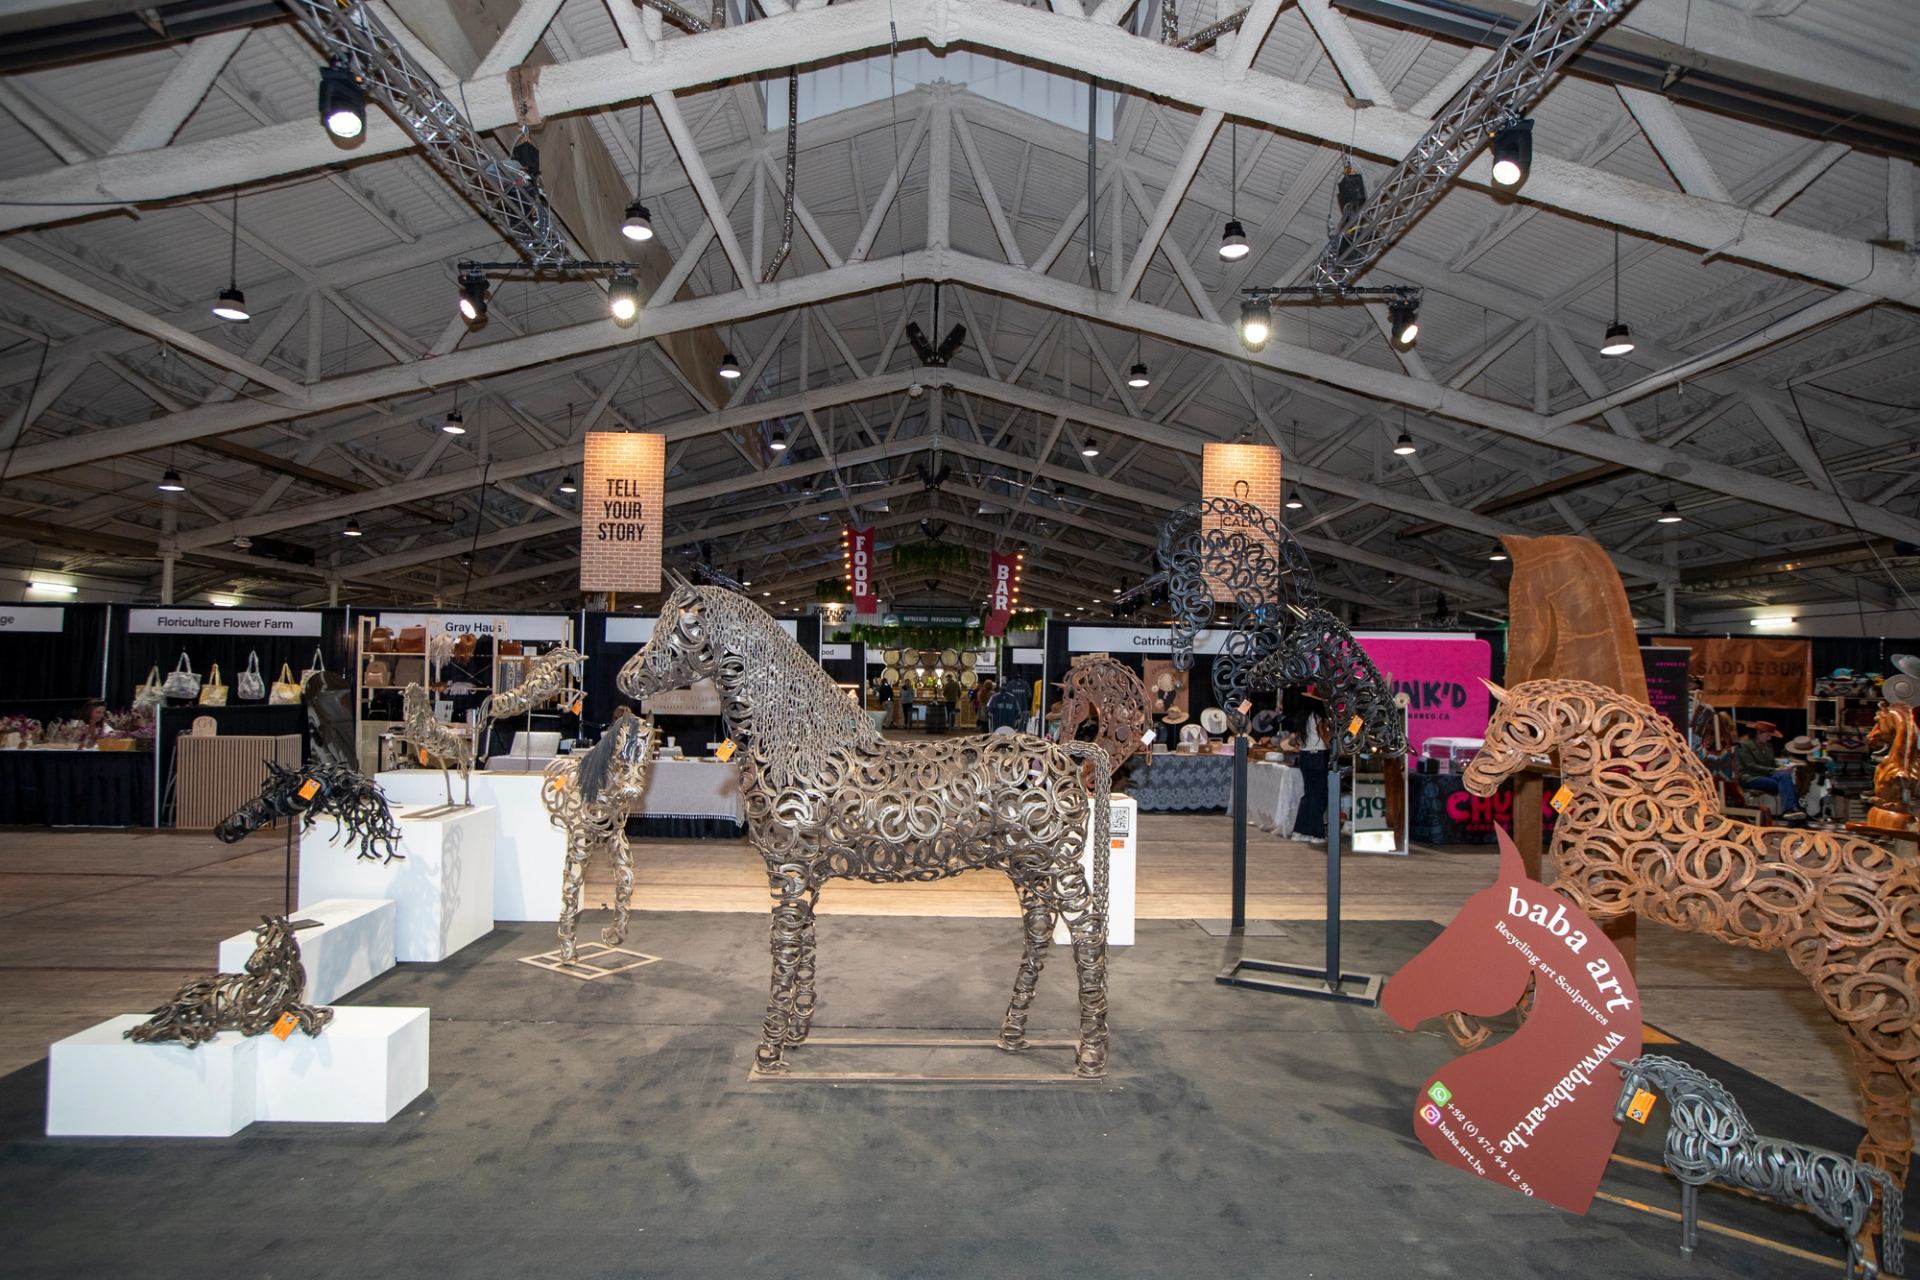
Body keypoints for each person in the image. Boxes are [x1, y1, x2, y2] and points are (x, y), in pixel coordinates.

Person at [1736, 720, 1802, 817]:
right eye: (1767, 735)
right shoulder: (1744, 745)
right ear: (1758, 733)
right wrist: (1775, 770)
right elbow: (1751, 766)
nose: (1770, 738)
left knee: (1786, 776)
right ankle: (1791, 810)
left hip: (1766, 774)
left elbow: (1772, 764)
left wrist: (1781, 768)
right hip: (1751, 777)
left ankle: (1792, 811)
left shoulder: (1768, 746)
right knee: (1787, 785)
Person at [1293, 701, 1331, 840]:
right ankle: (1316, 834)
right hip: (1318, 755)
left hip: (1304, 755)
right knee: (1319, 795)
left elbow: (1296, 739)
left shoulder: (1303, 718)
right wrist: (1332, 748)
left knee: (1308, 794)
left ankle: (1300, 832)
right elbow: (1323, 734)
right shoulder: (1318, 717)